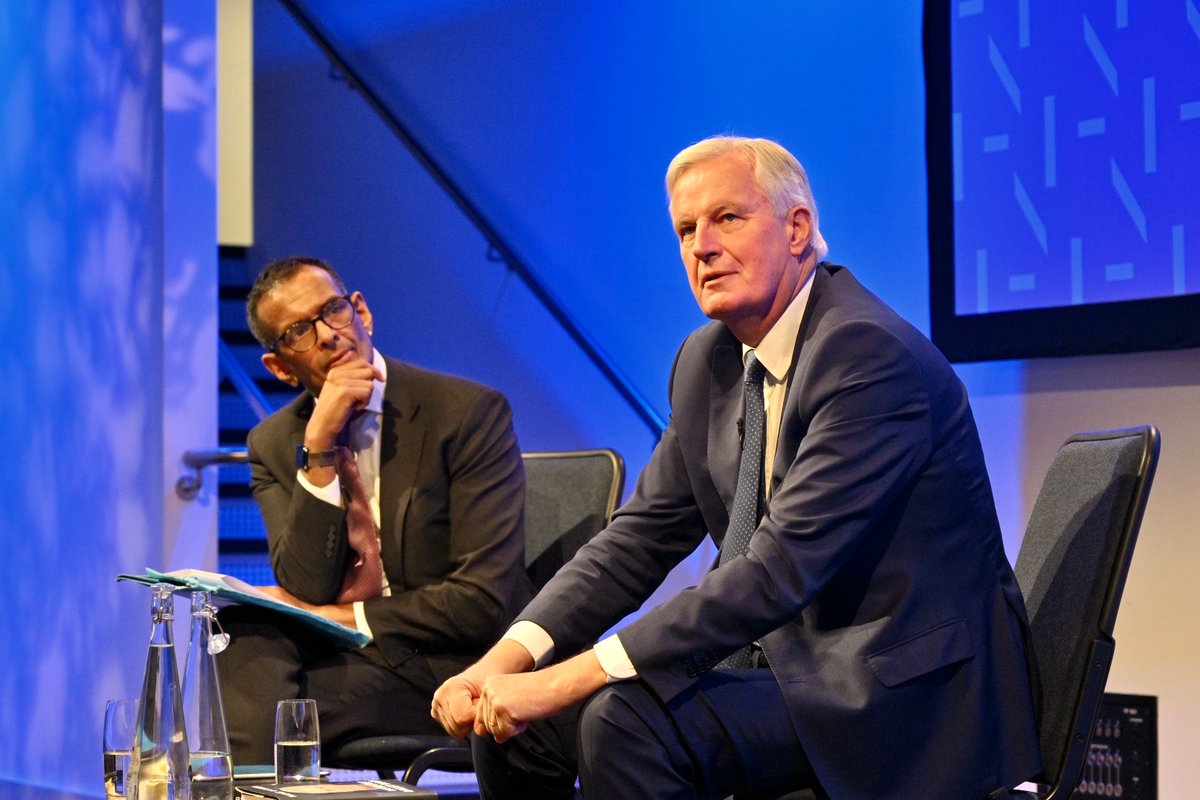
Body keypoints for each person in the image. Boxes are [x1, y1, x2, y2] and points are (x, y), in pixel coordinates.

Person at [430, 137, 1042, 799]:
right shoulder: (707, 359)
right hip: (785, 665)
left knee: (621, 720)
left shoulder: (868, 356)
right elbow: (637, 539)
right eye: (686, 230)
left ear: (798, 228)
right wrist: (508, 662)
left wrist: (572, 676)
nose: (702, 245)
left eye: (728, 218)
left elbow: (778, 571)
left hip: (897, 685)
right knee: (519, 727)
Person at [219, 256, 532, 765]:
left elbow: (482, 602)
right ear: (278, 367)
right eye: (298, 331)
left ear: (360, 312)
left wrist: (341, 617)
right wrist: (318, 449)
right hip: (354, 658)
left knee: (266, 715)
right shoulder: (274, 442)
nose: (326, 335)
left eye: (333, 311)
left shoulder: (466, 413)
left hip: (448, 663)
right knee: (238, 635)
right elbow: (305, 585)